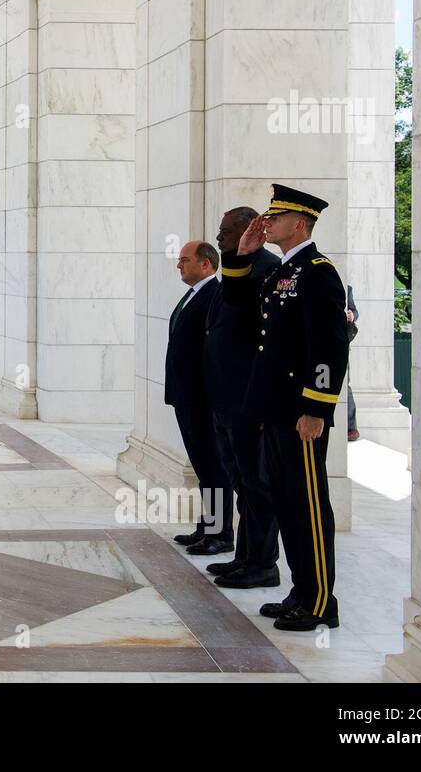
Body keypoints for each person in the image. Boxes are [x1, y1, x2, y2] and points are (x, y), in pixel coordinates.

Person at [220, 185, 349, 631]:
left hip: (301, 415)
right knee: (289, 504)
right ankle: (301, 592)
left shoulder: (318, 272)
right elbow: (238, 305)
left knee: (308, 506)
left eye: (276, 218)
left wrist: (316, 408)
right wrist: (240, 257)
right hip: (274, 410)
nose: (266, 222)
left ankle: (319, 604)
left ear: (300, 223)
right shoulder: (281, 272)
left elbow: (329, 347)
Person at [204, 207, 281, 589]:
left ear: (248, 228)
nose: (218, 238)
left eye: (224, 231)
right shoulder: (238, 268)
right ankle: (245, 557)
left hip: (248, 402)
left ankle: (263, 563)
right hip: (227, 400)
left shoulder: (266, 267)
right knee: (241, 482)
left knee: (258, 484)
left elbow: (267, 342)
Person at [164, 240, 231, 555]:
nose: (179, 265)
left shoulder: (213, 295)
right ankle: (206, 527)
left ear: (206, 264)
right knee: (203, 465)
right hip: (185, 396)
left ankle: (220, 533)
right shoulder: (193, 295)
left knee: (214, 466)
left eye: (185, 259)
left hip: (203, 400)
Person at [345, 284, 360, 441]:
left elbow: (355, 311)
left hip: (342, 341)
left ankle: (351, 427)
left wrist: (352, 316)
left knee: (346, 384)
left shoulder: (347, 288)